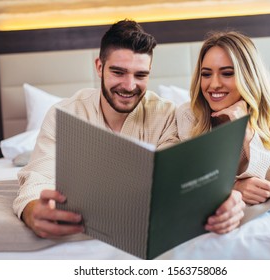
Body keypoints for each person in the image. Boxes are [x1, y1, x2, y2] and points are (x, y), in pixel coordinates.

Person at [13, 20, 245, 239]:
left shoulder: (166, 115)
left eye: (141, 75)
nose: (129, 86)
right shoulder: (63, 114)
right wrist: (32, 210)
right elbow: (38, 176)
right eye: (118, 72)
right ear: (99, 66)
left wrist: (229, 194)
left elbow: (176, 181)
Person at [177, 31, 270, 205]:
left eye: (227, 73)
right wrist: (235, 187)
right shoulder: (189, 114)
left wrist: (245, 130)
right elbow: (188, 182)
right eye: (206, 74)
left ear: (248, 75)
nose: (213, 84)